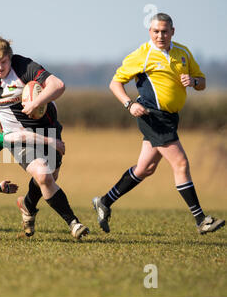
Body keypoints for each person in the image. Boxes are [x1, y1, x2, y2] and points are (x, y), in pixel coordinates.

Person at [92, 13, 225, 235]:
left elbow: (202, 82)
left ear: (172, 31)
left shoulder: (183, 52)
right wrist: (129, 104)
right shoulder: (142, 55)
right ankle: (201, 220)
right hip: (152, 116)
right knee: (181, 163)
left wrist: (193, 82)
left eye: (164, 31)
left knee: (146, 168)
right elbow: (115, 83)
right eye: (156, 31)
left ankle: (104, 201)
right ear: (150, 32)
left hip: (171, 118)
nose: (160, 35)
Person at [0, 37, 89, 240]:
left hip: (47, 130)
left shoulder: (24, 66)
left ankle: (27, 205)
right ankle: (74, 223)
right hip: (16, 137)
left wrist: (37, 102)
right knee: (44, 176)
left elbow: (58, 85)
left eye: (3, 63)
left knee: (49, 178)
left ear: (10, 57)